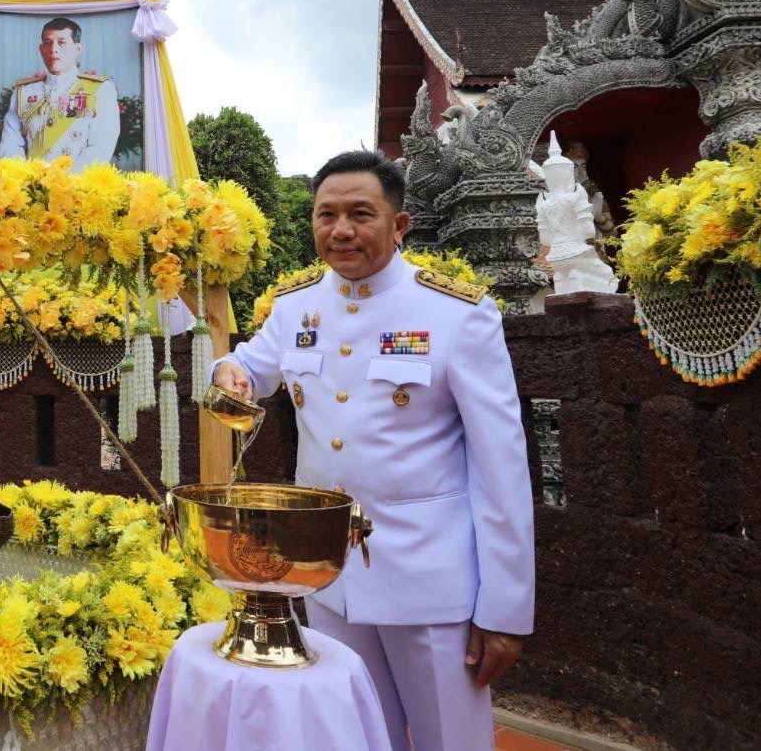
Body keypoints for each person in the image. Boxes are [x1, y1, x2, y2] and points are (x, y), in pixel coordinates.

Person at [212, 150, 535, 751]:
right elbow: (249, 366)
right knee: (352, 733)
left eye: (361, 214)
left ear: (399, 224)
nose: (341, 231)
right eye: (326, 215)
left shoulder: (456, 314)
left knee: (450, 738)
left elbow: (502, 467)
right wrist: (228, 372)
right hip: (328, 571)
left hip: (429, 580)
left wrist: (506, 609)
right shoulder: (294, 306)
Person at [0, 16, 120, 167]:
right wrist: (27, 180)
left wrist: (63, 183)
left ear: (78, 48)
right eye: (47, 43)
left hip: (77, 185)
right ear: (41, 49)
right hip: (31, 184)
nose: (53, 49)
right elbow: (10, 144)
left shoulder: (100, 89)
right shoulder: (24, 92)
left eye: (62, 42)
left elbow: (101, 147)